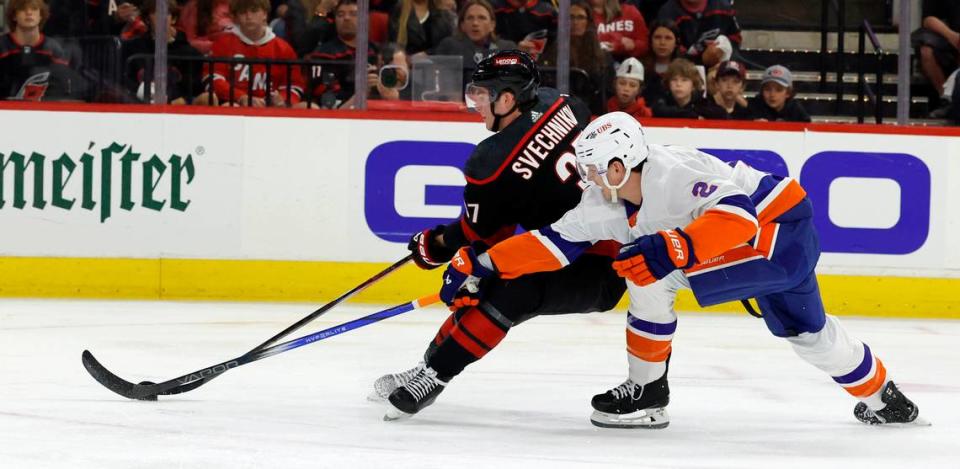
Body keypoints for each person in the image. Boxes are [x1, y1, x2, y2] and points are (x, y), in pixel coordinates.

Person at [439, 111, 923, 428]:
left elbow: (738, 215)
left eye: (590, 168)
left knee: (647, 266)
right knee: (807, 331)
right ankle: (886, 399)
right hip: (772, 239)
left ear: (617, 164)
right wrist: (481, 264)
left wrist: (675, 247)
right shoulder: (606, 200)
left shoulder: (672, 175)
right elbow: (552, 245)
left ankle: (648, 391)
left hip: (777, 235)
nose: (584, 178)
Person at [372, 50, 627, 420]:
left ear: (507, 99)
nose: (474, 102)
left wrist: (435, 245)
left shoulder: (490, 163)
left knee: (508, 289)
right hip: (602, 239)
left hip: (600, 260)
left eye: (481, 93)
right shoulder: (565, 102)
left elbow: (481, 235)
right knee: (492, 279)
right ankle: (430, 366)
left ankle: (434, 373)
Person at [207, 0, 304, 106]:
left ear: (265, 14)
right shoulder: (223, 44)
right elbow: (213, 79)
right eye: (243, 12)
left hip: (273, 109)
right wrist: (240, 97)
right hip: (233, 104)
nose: (248, 16)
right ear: (236, 18)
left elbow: (294, 85)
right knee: (228, 107)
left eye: (254, 11)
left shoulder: (283, 48)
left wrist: (282, 98)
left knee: (308, 107)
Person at [121, 0, 204, 104]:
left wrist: (171, 98)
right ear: (147, 19)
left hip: (176, 107)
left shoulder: (190, 53)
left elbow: (193, 88)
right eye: (157, 13)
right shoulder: (132, 48)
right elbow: (124, 82)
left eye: (167, 13)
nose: (162, 17)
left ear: (173, 19)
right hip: (139, 105)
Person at [538, 0, 613, 116]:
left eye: (580, 17)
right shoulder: (550, 50)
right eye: (571, 17)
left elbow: (604, 93)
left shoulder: (602, 56)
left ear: (588, 22)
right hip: (554, 113)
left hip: (590, 114)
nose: (575, 22)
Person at [303, 0, 377, 107]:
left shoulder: (374, 51)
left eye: (353, 14)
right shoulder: (323, 55)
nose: (346, 18)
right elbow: (331, 108)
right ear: (335, 20)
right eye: (340, 14)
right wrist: (363, 92)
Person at [432, 0, 517, 89]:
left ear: (492, 25)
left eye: (482, 18)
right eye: (470, 18)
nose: (475, 23)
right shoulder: (449, 46)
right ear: (462, 25)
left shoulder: (507, 48)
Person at [1, 0, 73, 101]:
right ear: (14, 16)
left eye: (34, 9)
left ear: (41, 16)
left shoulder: (53, 48)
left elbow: (63, 87)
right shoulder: (2, 45)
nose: (29, 13)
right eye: (22, 9)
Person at [656, 0, 740, 67]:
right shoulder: (667, 12)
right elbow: (665, 51)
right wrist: (702, 59)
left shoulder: (723, 6)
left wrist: (723, 52)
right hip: (682, 70)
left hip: (720, 67)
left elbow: (735, 38)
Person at [912, 0, 960, 114]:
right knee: (926, 52)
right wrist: (952, 37)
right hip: (948, 38)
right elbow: (928, 19)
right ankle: (946, 99)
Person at [651, 57, 722, 119]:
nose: (678, 84)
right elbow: (657, 110)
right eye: (674, 80)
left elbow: (721, 115)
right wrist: (691, 115)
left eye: (684, 80)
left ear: (693, 85)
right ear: (668, 83)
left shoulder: (704, 105)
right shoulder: (662, 102)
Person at [388, 0, 456, 56]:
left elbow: (449, 44)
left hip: (437, 65)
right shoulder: (400, 8)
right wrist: (400, 55)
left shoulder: (444, 14)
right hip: (407, 65)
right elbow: (393, 42)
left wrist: (427, 54)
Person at [490, 0, 557, 51]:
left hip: (540, 64)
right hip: (502, 60)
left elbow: (556, 43)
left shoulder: (548, 12)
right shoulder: (492, 8)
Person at [641, 19, 680, 105]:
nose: (662, 42)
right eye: (657, 37)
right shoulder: (641, 68)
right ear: (651, 41)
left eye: (668, 38)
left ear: (676, 42)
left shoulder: (684, 69)